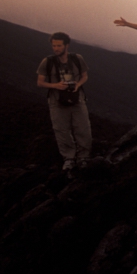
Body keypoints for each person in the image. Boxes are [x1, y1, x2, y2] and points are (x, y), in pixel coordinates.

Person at [36, 32, 92, 172]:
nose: (56, 48)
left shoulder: (77, 59)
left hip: (77, 98)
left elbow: (85, 76)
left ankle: (83, 157)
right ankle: (69, 159)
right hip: (56, 100)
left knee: (83, 128)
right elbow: (40, 83)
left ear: (67, 45)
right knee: (61, 130)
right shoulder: (47, 62)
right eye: (54, 45)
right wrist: (56, 85)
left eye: (59, 45)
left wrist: (78, 85)